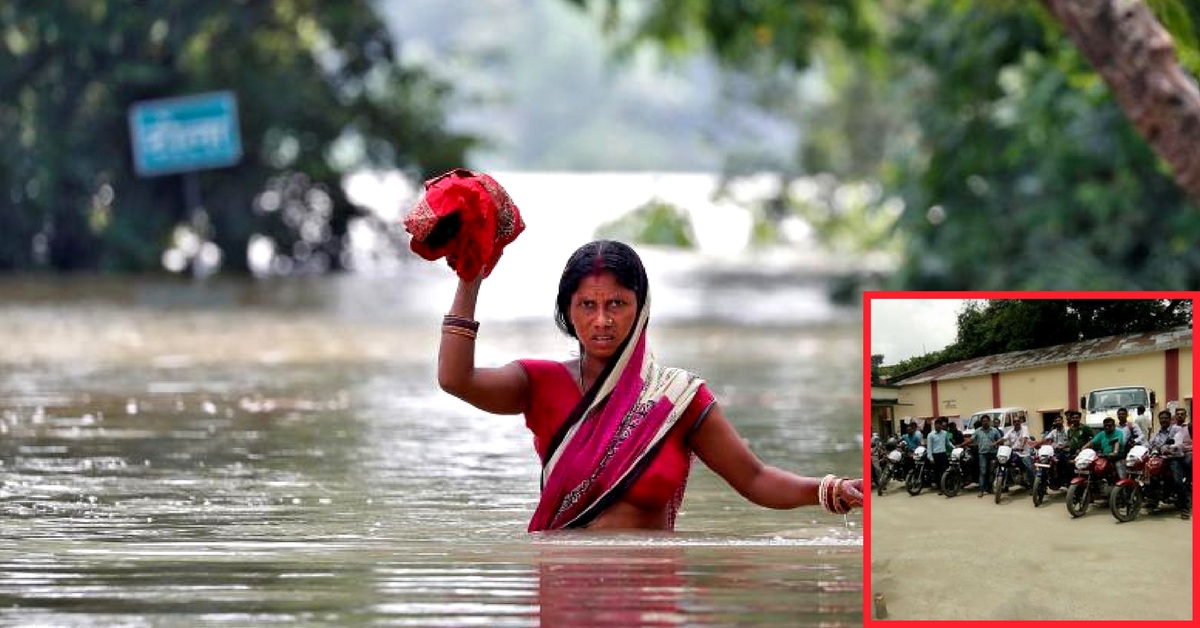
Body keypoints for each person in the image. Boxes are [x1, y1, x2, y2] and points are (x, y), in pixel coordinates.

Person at [436, 240, 863, 531]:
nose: (602, 320)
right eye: (587, 305)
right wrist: (470, 279)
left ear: (640, 309)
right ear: (568, 311)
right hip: (566, 589)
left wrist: (829, 490)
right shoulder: (539, 383)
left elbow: (755, 478)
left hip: (650, 596)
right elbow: (456, 380)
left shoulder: (678, 399)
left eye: (616, 304)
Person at [963, 415, 1002, 498]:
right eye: (983, 421)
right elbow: (971, 439)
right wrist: (961, 445)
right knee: (983, 472)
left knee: (991, 472)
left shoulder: (994, 430)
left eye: (986, 420)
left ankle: (990, 488)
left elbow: (1000, 440)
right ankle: (981, 490)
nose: (985, 422)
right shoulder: (978, 431)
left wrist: (996, 443)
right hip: (982, 454)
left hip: (993, 454)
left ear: (989, 421)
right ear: (981, 422)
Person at [999, 413, 1034, 488]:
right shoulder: (1010, 431)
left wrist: (1021, 446)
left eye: (1018, 421)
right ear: (1013, 423)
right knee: (1005, 463)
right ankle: (1006, 483)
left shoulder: (1024, 428)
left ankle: (1033, 486)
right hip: (1014, 453)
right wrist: (995, 444)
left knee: (1029, 468)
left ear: (1020, 422)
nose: (1016, 422)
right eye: (1015, 421)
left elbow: (1025, 438)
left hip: (1024, 453)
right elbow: (1004, 438)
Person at [1115, 407, 1145, 479]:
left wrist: (1134, 441)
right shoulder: (1115, 427)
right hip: (1118, 453)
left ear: (1127, 415)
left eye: (1123, 414)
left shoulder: (1132, 425)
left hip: (1129, 452)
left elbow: (1141, 435)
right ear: (1117, 416)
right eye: (1119, 414)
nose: (1121, 415)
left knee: (1130, 472)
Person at [926, 418, 951, 495]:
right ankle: (940, 489)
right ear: (934, 425)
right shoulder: (930, 435)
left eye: (939, 425)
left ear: (941, 426)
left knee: (945, 472)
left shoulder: (945, 433)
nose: (938, 427)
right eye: (936, 425)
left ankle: (946, 487)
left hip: (943, 454)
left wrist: (955, 447)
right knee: (937, 473)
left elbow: (948, 443)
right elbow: (929, 447)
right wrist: (930, 458)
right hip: (935, 455)